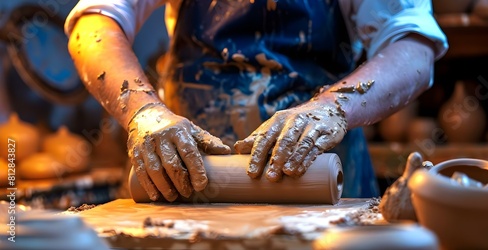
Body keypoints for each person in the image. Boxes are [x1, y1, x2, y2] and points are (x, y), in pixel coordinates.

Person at [65, 0, 448, 201]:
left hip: (321, 181)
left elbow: (414, 46)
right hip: (187, 179)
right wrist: (143, 112)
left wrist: (332, 107)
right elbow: (94, 22)